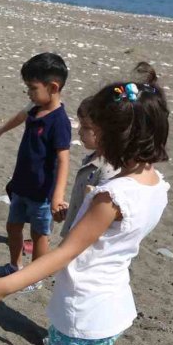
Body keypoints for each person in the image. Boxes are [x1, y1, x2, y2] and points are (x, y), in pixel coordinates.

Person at [0, 66, 170, 345]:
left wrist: (3, 286)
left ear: (119, 136)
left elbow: (65, 253)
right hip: (114, 308)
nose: (89, 137)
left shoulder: (113, 196)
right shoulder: (156, 184)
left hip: (83, 310)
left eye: (97, 130)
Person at [0, 53, 71, 292]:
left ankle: (35, 277)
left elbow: (64, 160)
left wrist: (57, 196)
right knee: (13, 226)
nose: (29, 94)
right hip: (21, 184)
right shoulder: (35, 108)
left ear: (53, 87)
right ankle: (15, 266)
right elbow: (19, 117)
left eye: (32, 88)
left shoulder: (59, 121)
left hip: (42, 192)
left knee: (38, 235)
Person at [60, 96, 117, 238]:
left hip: (83, 242)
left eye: (86, 127)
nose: (79, 132)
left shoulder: (108, 170)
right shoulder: (92, 159)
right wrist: (71, 210)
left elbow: (99, 214)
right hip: (73, 233)